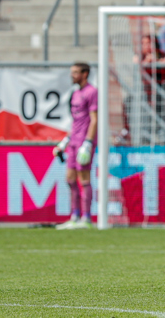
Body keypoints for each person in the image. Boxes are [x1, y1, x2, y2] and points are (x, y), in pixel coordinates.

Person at [53, 63, 98, 230]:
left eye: (75, 72)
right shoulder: (75, 93)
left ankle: (86, 219)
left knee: (84, 179)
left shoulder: (92, 92)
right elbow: (76, 121)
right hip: (73, 141)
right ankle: (75, 216)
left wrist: (88, 142)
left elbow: (94, 119)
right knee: (70, 179)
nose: (72, 75)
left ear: (85, 74)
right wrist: (65, 141)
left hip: (84, 142)